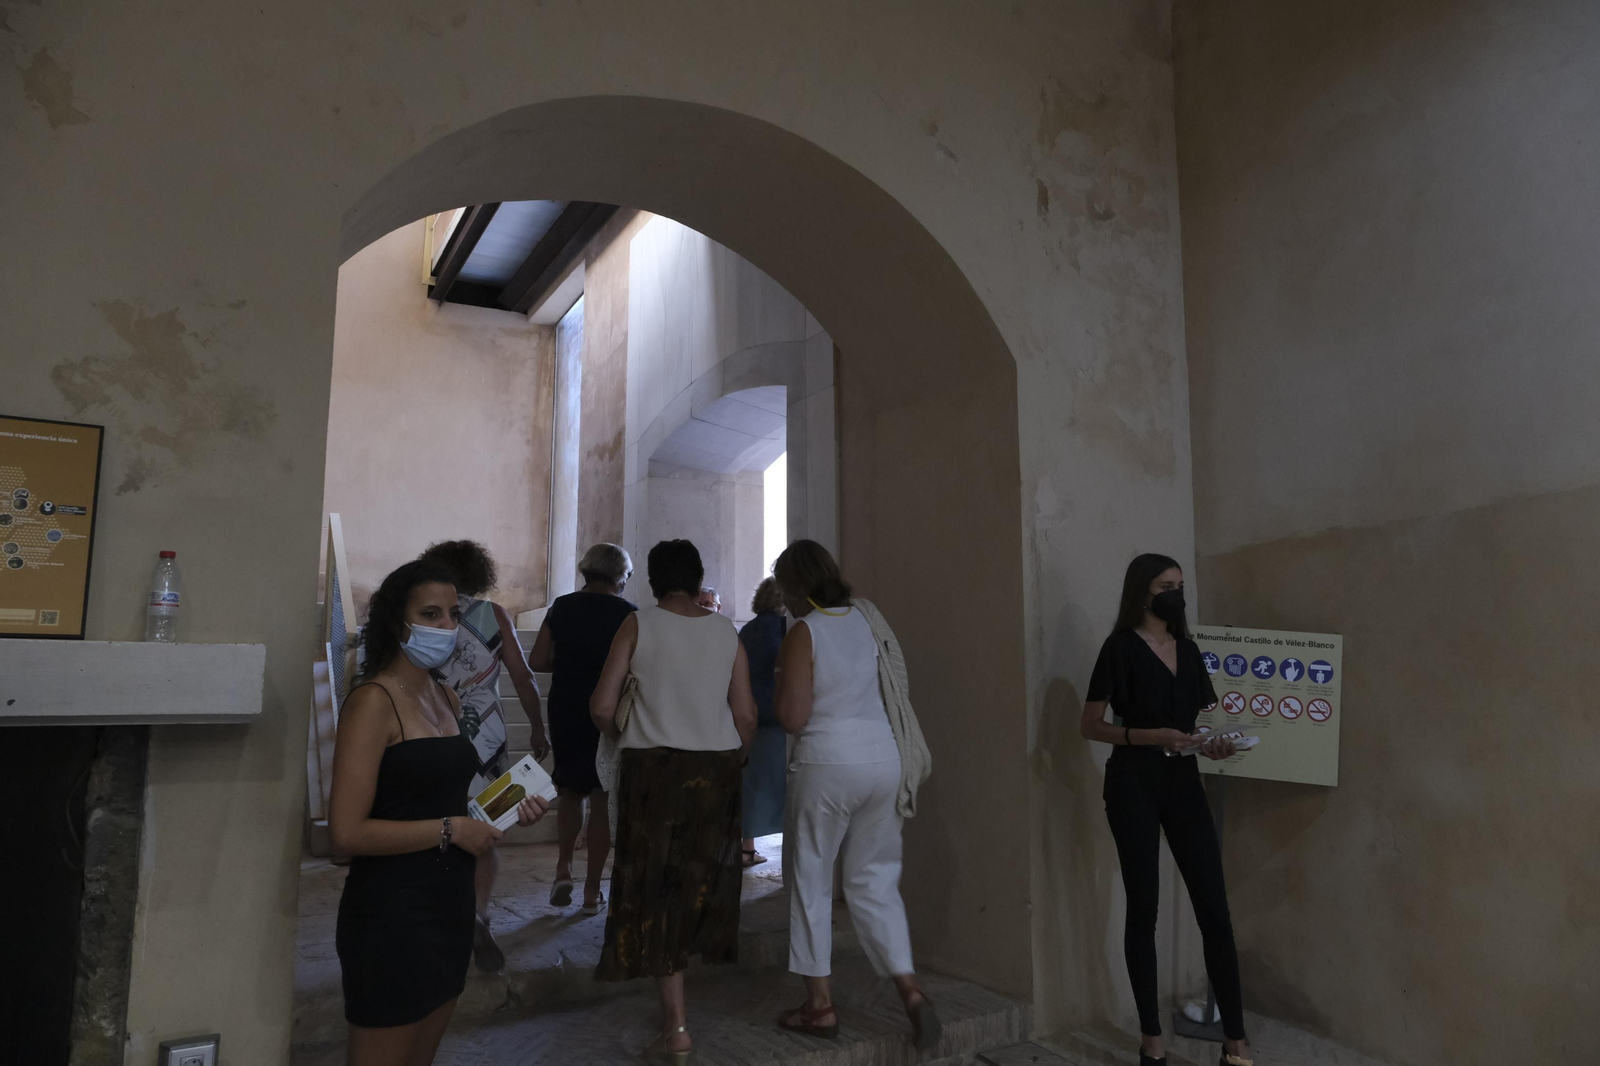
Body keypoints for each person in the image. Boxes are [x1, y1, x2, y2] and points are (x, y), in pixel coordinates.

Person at [329, 559, 548, 1066]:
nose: (447, 626)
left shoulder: (445, 693)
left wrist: (506, 812)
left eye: (452, 614)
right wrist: (452, 830)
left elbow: (445, 801)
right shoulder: (373, 701)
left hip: (450, 906)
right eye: (430, 614)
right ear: (395, 621)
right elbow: (346, 832)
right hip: (392, 911)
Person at [1079, 553, 1252, 1066]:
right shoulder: (1120, 648)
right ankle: (1152, 1043)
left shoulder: (1190, 650)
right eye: (1165, 584)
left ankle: (1235, 1045)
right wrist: (1143, 736)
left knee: (1215, 912)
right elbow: (1090, 725)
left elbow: (1192, 727)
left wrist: (1212, 745)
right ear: (1143, 592)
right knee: (1144, 908)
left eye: (1179, 584)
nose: (1175, 592)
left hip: (1182, 780)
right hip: (1133, 782)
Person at [589, 539, 757, 1064]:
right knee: (697, 881)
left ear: (653, 580)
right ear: (698, 576)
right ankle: (683, 992)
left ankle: (677, 1026)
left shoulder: (639, 624)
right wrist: (732, 760)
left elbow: (601, 705)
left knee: (656, 888)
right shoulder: (726, 630)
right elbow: (746, 715)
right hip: (716, 772)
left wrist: (625, 729)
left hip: (654, 773)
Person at [771, 539, 939, 1049]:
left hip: (827, 764)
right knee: (874, 880)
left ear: (792, 586)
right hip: (883, 760)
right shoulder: (868, 619)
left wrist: (778, 686)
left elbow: (794, 718)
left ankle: (819, 1006)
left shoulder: (804, 632)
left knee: (811, 879)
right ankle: (910, 992)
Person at [417, 540, 548, 972]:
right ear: (478, 573)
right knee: (487, 828)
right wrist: (537, 727)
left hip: (432, 727)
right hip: (487, 737)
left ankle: (436, 918)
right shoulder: (493, 616)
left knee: (435, 823)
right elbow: (523, 677)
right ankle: (479, 912)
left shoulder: (426, 615)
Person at [527, 543, 637, 914]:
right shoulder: (629, 615)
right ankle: (591, 892)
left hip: (567, 707)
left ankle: (562, 869)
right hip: (607, 709)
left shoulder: (563, 606)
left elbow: (538, 659)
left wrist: (570, 660)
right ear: (621, 576)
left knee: (570, 791)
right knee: (602, 796)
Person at [738, 577, 787, 866]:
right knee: (783, 787)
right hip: (778, 716)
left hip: (749, 715)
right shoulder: (786, 629)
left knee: (752, 786)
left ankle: (746, 848)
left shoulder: (748, 629)